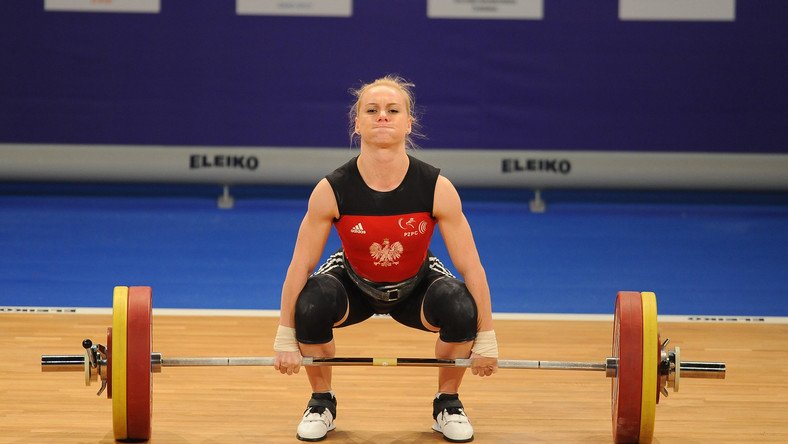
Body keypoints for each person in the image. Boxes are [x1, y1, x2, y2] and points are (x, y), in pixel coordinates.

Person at [273, 75, 499, 443]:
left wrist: (486, 336)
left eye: (393, 110)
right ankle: (321, 403)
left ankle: (448, 403)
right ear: (357, 122)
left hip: (416, 285)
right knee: (310, 302)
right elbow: (300, 265)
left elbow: (471, 266)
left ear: (408, 123)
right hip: (355, 284)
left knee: (461, 305)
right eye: (372, 110)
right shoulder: (332, 189)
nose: (382, 117)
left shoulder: (436, 187)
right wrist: (285, 336)